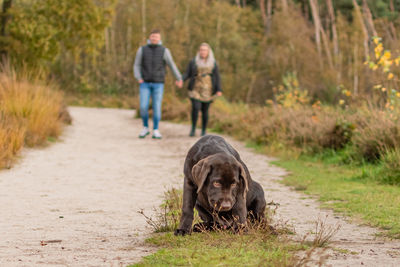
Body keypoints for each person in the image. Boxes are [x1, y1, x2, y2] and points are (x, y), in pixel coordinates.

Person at [133, 29, 183, 139]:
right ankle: (145, 128)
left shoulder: (164, 51)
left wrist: (179, 78)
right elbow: (136, 65)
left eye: (156, 37)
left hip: (158, 84)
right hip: (145, 83)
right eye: (152, 36)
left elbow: (172, 65)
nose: (154, 38)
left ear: (159, 38)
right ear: (149, 38)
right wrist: (138, 77)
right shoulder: (142, 50)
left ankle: (156, 129)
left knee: (157, 107)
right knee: (143, 107)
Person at [182, 43, 222, 137]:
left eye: (205, 50)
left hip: (208, 89)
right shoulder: (193, 62)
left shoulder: (213, 63)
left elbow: (217, 76)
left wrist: (219, 89)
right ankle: (193, 128)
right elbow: (187, 73)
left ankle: (204, 130)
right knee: (195, 108)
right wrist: (181, 80)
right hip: (195, 88)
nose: (203, 52)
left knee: (205, 110)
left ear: (208, 52)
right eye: (201, 50)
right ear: (199, 51)